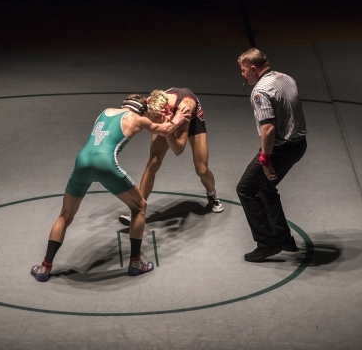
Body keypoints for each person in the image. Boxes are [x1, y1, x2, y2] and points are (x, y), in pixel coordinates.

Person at [31, 93, 190, 282]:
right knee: (139, 207)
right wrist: (177, 119)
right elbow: (164, 130)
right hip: (105, 164)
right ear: (141, 110)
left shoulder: (104, 112)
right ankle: (135, 263)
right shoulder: (137, 119)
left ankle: (44, 267)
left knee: (65, 215)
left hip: (82, 161)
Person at [236, 48, 307, 262]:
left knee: (246, 189)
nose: (242, 74)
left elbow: (268, 129)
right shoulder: (285, 78)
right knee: (266, 187)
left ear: (253, 69)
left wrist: (265, 160)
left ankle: (267, 243)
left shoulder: (260, 91)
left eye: (243, 70)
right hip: (298, 145)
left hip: (280, 149)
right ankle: (284, 238)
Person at [118, 88, 224, 226]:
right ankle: (138, 209)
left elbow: (179, 149)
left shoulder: (184, 109)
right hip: (169, 118)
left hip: (191, 119)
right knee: (153, 162)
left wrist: (167, 130)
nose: (154, 122)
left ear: (166, 111)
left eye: (157, 117)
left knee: (202, 170)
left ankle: (212, 195)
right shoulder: (149, 104)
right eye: (152, 116)